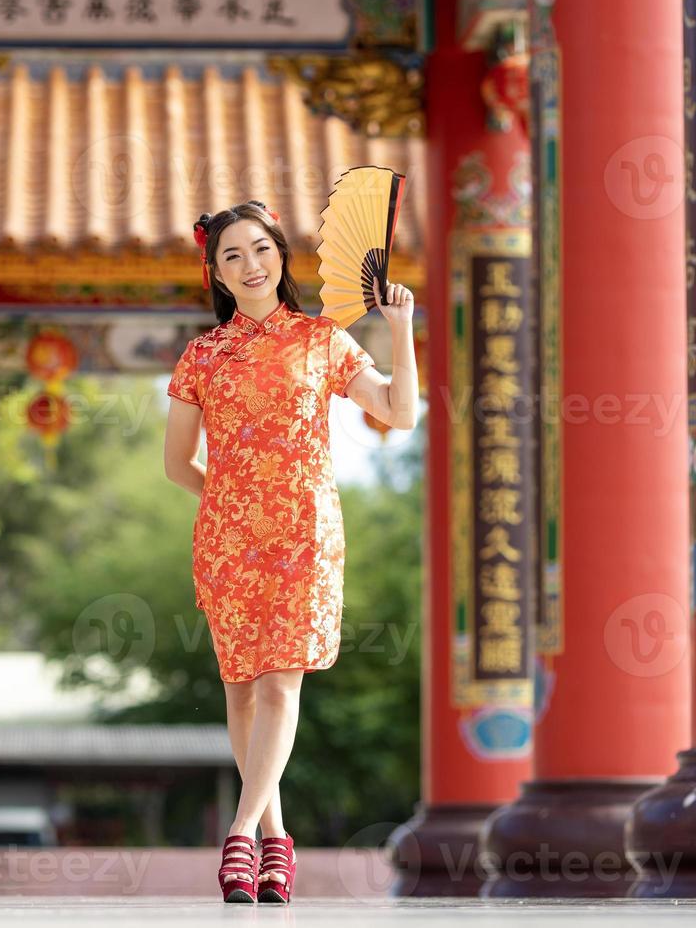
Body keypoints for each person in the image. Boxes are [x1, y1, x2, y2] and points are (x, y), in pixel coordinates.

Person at [162, 199, 419, 903]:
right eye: (231, 257)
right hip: (228, 540)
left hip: (306, 535)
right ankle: (278, 842)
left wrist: (400, 332)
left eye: (260, 250)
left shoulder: (322, 341)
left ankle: (241, 835)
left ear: (282, 254)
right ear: (215, 272)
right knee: (242, 694)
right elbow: (178, 464)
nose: (250, 266)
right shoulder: (203, 356)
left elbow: (399, 412)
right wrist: (230, 503)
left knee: (281, 682)